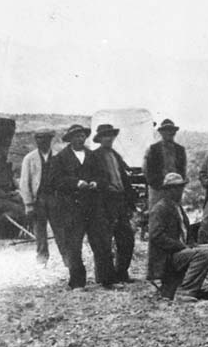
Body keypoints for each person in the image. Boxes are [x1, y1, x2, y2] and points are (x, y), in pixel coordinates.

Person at [51, 124, 114, 290]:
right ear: (70, 139)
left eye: (82, 136)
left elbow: (104, 176)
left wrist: (95, 183)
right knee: (74, 244)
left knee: (101, 242)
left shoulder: (93, 156)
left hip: (93, 206)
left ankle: (107, 279)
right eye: (76, 136)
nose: (79, 139)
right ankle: (77, 282)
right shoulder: (60, 158)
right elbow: (57, 181)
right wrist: (76, 183)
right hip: (72, 208)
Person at [147, 173, 208, 302]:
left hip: (178, 252)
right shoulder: (160, 208)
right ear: (167, 190)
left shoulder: (176, 206)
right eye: (175, 188)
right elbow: (156, 236)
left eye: (180, 187)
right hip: (166, 257)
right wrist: (181, 246)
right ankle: (185, 291)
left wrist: (191, 242)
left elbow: (185, 230)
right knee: (204, 253)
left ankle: (189, 285)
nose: (179, 191)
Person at [91, 123, 139, 283]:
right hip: (104, 203)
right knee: (103, 241)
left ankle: (122, 273)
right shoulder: (94, 156)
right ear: (100, 139)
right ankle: (105, 278)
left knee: (126, 239)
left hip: (120, 202)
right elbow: (94, 178)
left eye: (111, 135)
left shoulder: (115, 155)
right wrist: (105, 186)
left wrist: (130, 199)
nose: (109, 138)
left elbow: (124, 179)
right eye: (105, 135)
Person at [18, 128, 65, 266]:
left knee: (60, 230)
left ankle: (67, 260)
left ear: (50, 140)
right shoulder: (29, 158)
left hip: (55, 199)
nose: (42, 141)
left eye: (45, 138)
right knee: (40, 231)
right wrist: (28, 204)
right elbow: (24, 183)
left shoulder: (59, 156)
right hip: (38, 200)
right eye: (39, 138)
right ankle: (42, 259)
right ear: (36, 140)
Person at [143, 119, 187, 209]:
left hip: (175, 189)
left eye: (171, 130)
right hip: (158, 190)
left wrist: (179, 186)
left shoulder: (180, 150)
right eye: (166, 130)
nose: (169, 133)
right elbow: (146, 170)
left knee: (174, 214)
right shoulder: (153, 149)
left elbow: (183, 170)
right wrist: (157, 185)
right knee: (157, 213)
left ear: (174, 132)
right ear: (161, 133)